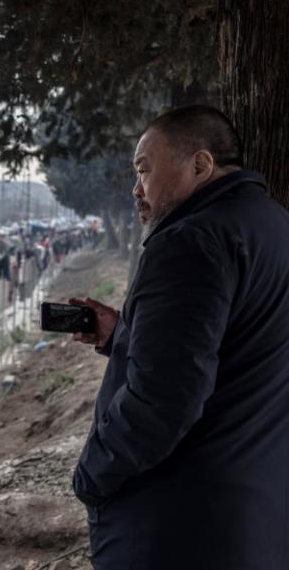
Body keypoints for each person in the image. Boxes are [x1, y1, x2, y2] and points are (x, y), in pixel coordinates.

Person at [70, 105, 289, 569]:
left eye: (145, 170)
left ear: (200, 165)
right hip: (254, 509)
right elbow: (242, 342)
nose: (136, 188)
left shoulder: (190, 241)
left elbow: (164, 400)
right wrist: (122, 336)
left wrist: (92, 473)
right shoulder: (272, 222)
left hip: (178, 525)